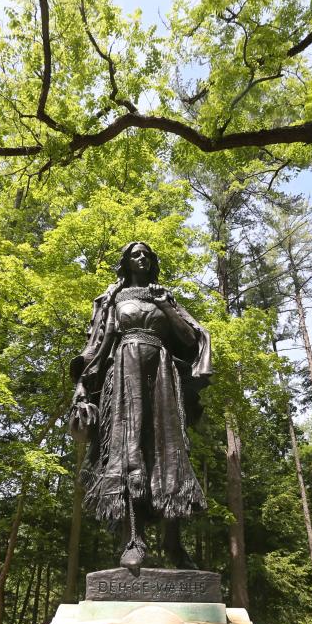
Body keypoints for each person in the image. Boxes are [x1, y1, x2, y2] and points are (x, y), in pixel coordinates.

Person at [69, 241, 212, 572]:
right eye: (136, 255)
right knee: (127, 449)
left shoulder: (163, 295)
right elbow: (97, 342)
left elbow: (190, 341)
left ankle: (174, 545)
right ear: (127, 262)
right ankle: (133, 540)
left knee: (169, 452)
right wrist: (82, 384)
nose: (142, 258)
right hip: (123, 375)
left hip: (162, 377)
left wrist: (168, 307)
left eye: (147, 254)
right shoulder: (114, 297)